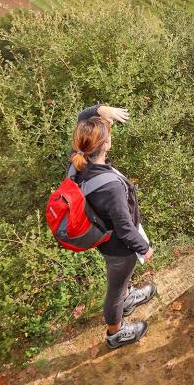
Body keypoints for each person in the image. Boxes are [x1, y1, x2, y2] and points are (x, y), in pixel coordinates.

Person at [69, 104, 156, 349]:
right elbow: (125, 228)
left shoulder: (79, 161)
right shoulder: (110, 186)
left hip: (104, 235)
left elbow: (81, 117)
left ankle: (128, 298)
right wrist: (144, 249)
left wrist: (101, 109)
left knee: (121, 282)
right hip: (119, 247)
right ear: (105, 145)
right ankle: (114, 333)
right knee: (115, 289)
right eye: (107, 132)